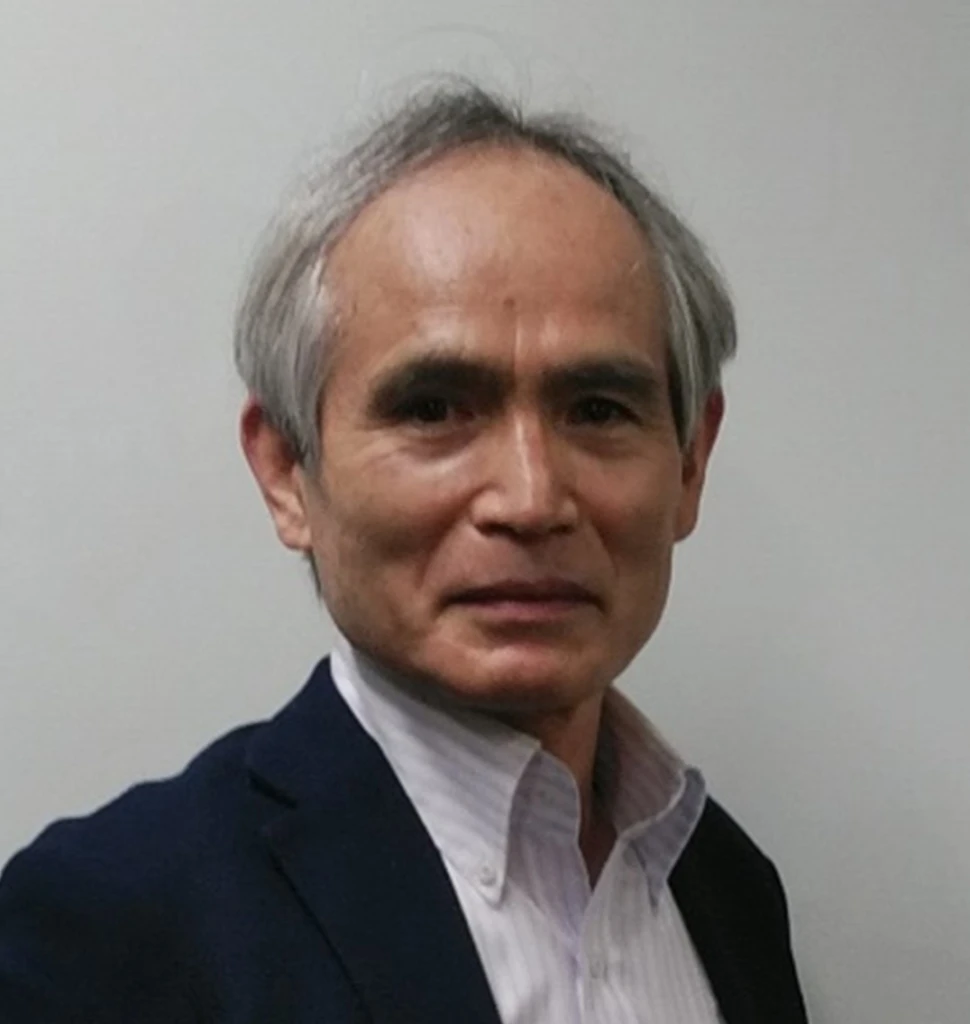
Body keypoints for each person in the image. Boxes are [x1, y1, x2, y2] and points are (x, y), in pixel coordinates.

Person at [0, 82, 808, 1023]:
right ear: (287, 471)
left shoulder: (727, 889)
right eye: (432, 409)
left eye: (597, 409)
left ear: (691, 463)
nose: (531, 499)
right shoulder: (107, 930)